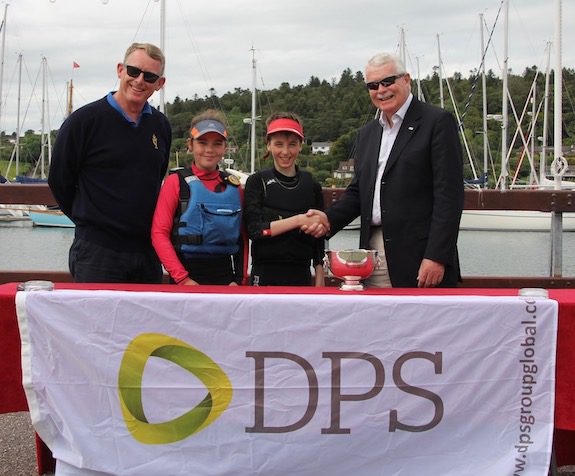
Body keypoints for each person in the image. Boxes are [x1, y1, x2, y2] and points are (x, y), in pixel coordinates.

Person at [305, 52, 464, 288]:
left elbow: (449, 196)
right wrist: (328, 219)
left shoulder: (437, 123)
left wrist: (436, 256)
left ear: (406, 79)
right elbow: (360, 192)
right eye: (373, 85)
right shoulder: (367, 134)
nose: (381, 90)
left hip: (422, 256)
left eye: (388, 81)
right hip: (372, 253)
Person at [48, 42, 171, 283]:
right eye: (133, 71)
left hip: (146, 252)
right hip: (97, 252)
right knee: (95, 322)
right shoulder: (83, 121)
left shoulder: (161, 126)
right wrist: (91, 221)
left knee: (147, 322)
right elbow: (59, 181)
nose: (139, 80)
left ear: (159, 83)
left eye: (149, 76)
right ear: (120, 70)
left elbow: (156, 176)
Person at [151, 110, 247, 285]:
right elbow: (159, 233)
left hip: (226, 278)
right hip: (186, 276)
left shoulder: (235, 188)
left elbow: (242, 237)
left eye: (217, 144)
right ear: (190, 144)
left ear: (225, 147)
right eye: (202, 143)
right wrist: (182, 278)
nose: (209, 150)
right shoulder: (175, 183)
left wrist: (238, 280)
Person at [243, 112, 325, 286]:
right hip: (264, 272)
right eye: (278, 144)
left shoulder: (311, 185)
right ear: (268, 145)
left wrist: (319, 276)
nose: (285, 152)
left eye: (292, 144)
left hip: (301, 273)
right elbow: (255, 231)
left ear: (301, 146)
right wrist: (298, 220)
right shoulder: (257, 181)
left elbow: (319, 239)